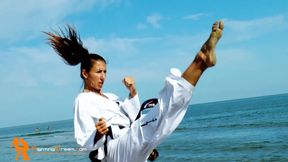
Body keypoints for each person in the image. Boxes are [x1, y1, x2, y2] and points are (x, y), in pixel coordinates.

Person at [45, 21, 224, 162]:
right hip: (113, 150)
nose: (103, 77)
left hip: (128, 145)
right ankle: (200, 61)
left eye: (105, 72)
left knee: (165, 118)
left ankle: (201, 63)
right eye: (98, 72)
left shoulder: (111, 97)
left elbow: (133, 119)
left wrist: (132, 92)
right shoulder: (82, 100)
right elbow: (83, 140)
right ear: (85, 73)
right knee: (156, 117)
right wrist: (98, 133)